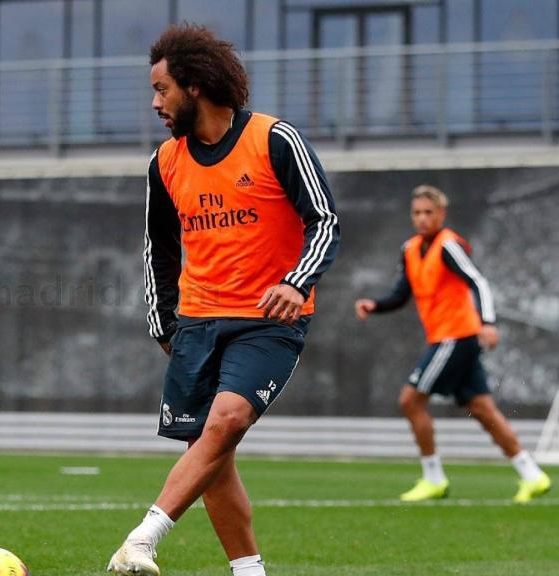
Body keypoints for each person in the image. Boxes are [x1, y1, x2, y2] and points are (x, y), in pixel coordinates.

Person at [109, 24, 339, 576]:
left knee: (227, 420)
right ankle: (249, 572)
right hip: (194, 322)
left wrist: (296, 281)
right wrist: (164, 322)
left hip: (268, 320)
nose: (155, 103)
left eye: (162, 90)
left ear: (195, 86)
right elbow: (157, 249)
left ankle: (141, 538)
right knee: (212, 454)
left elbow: (323, 219)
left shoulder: (274, 139)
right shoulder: (163, 162)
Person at [354, 184, 550, 504]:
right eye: (417, 213)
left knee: (410, 400)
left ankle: (433, 478)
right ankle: (532, 474)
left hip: (456, 337)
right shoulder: (410, 249)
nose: (422, 218)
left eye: (429, 213)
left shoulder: (448, 245)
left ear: (441, 214)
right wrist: (374, 305)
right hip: (448, 337)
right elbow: (401, 295)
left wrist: (487, 322)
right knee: (482, 409)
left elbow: (478, 281)